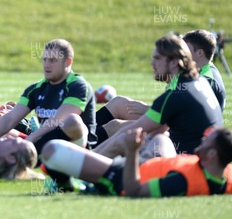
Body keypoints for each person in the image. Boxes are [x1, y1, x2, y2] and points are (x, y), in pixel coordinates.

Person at [93, 34, 223, 158]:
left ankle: (85, 156)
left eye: (157, 58)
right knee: (127, 127)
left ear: (173, 63)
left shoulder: (175, 94)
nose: (152, 63)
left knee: (129, 136)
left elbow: (130, 132)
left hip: (190, 165)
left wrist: (91, 156)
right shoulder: (196, 81)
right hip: (205, 160)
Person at [41, 126, 232, 197]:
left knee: (51, 150)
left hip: (124, 176)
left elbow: (133, 191)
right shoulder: (224, 173)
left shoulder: (181, 181)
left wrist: (132, 151)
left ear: (213, 154)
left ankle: (69, 186)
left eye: (208, 140)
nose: (203, 140)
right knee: (161, 139)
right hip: (153, 165)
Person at [0, 39, 96, 153]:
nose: (46, 65)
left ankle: (20, 155)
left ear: (68, 62)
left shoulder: (78, 86)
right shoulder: (35, 89)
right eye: (44, 59)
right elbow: (10, 119)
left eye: (52, 60)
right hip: (43, 145)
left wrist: (30, 140)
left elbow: (59, 120)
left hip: (77, 150)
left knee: (72, 121)